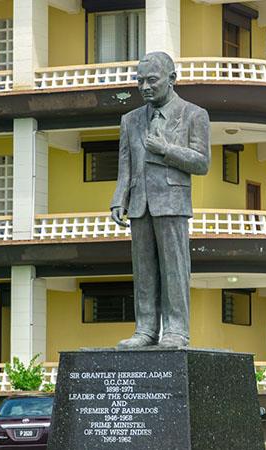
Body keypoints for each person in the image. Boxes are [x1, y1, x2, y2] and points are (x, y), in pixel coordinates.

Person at [110, 51, 211, 348]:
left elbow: (202, 162)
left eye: (151, 80)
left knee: (174, 269)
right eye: (140, 81)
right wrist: (119, 198)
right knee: (143, 271)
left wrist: (167, 149)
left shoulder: (193, 114)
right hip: (140, 204)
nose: (145, 87)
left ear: (171, 79)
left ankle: (176, 330)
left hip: (172, 201)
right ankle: (145, 329)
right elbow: (125, 164)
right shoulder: (130, 120)